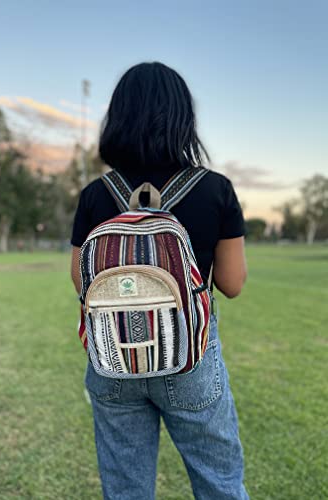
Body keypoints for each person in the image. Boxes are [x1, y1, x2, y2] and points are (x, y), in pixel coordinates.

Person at [70, 61, 249, 500]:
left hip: (112, 358)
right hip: (189, 355)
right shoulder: (215, 190)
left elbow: (80, 280)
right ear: (184, 118)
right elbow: (232, 282)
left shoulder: (96, 195)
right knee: (219, 483)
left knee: (126, 489)